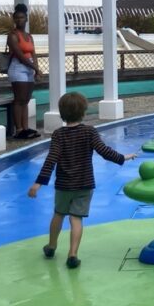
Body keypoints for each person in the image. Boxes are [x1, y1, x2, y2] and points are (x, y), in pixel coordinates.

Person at [27, 92, 135, 269]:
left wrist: (39, 182)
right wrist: (123, 158)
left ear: (62, 114)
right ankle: (73, 253)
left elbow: (51, 159)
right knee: (76, 218)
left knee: (59, 214)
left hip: (64, 185)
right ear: (84, 112)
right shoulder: (89, 132)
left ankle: (51, 246)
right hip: (84, 184)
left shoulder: (58, 134)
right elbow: (104, 151)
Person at [6, 4, 41, 139]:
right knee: (19, 99)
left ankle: (26, 128)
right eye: (17, 18)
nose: (19, 20)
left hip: (29, 67)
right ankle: (19, 129)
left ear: (26, 19)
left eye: (22, 18)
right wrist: (36, 68)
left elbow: (33, 53)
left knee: (25, 100)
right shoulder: (13, 35)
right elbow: (20, 55)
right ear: (14, 20)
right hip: (18, 67)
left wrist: (36, 68)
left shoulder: (28, 36)